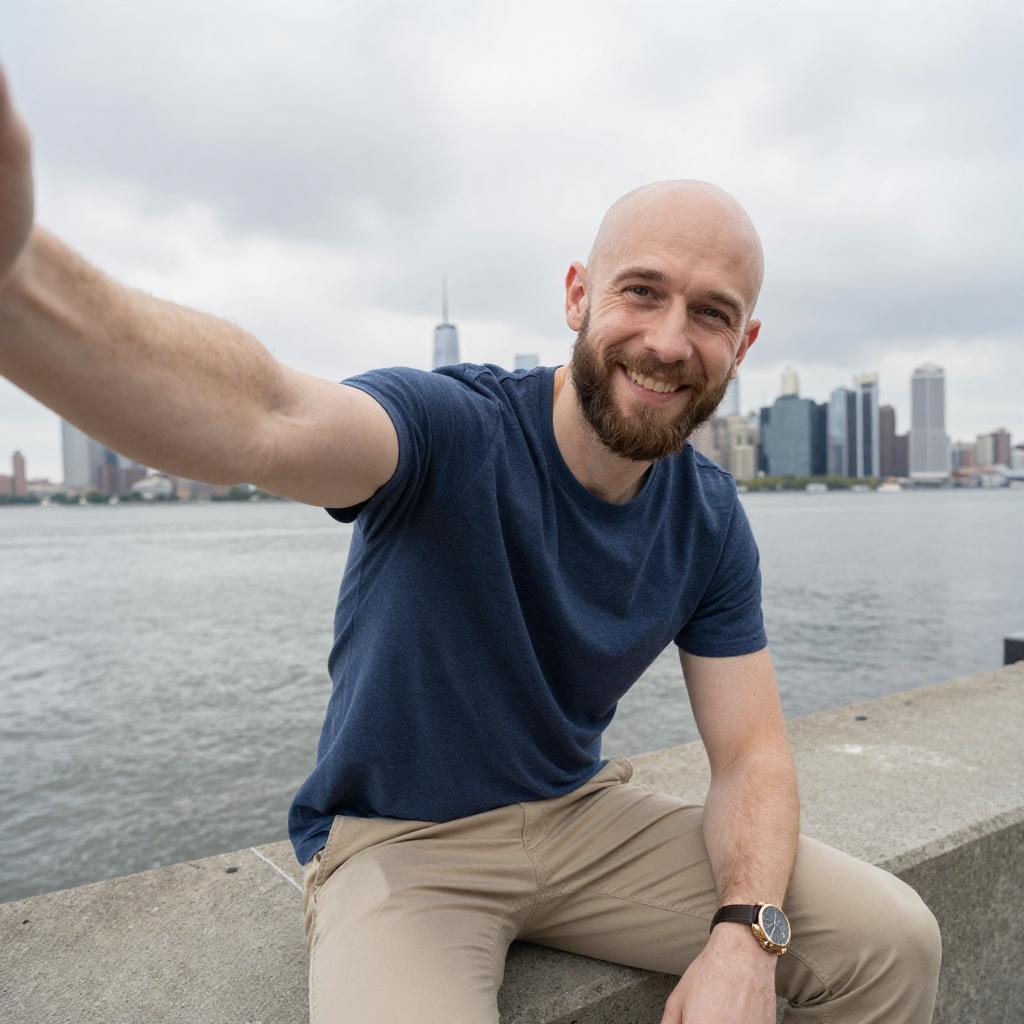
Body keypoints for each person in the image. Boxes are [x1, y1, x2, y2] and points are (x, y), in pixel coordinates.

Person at [0, 67, 941, 1024]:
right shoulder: (454, 429)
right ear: (578, 295)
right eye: (641, 292)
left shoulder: (708, 517)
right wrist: (20, 277)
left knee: (893, 940)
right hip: (404, 847)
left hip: (582, 818)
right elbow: (265, 414)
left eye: (711, 313)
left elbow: (751, 755)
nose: (667, 339)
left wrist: (745, 935)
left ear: (742, 346)